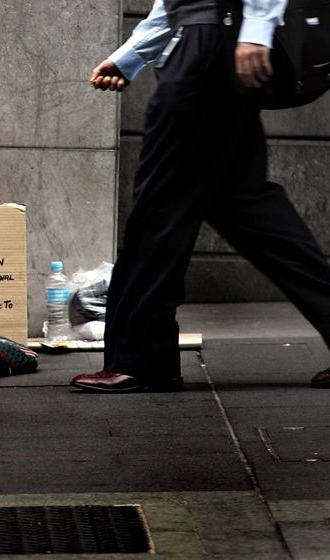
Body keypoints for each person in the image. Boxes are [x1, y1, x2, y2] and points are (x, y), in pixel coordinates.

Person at [71, 0, 330, 393]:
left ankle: (142, 359)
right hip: (207, 44)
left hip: (206, 53)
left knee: (160, 209)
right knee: (248, 208)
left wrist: (257, 28)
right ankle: (142, 357)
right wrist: (132, 55)